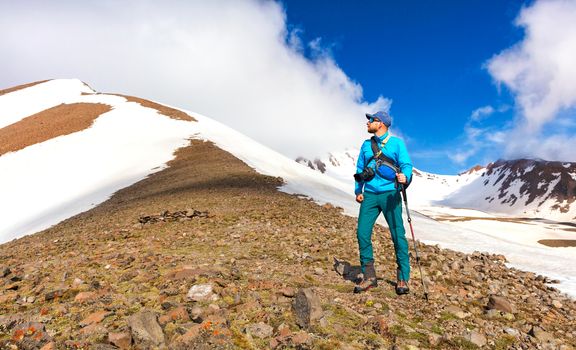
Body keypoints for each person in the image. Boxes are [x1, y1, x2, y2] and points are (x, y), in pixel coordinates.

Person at [353, 110, 413, 295]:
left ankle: (403, 277)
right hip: (370, 194)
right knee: (362, 232)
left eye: (371, 120)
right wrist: (358, 190)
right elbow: (360, 168)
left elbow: (406, 165)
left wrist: (406, 177)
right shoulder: (365, 145)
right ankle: (369, 276)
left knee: (397, 235)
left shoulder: (397, 144)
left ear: (381, 123)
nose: (368, 122)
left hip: (391, 194)